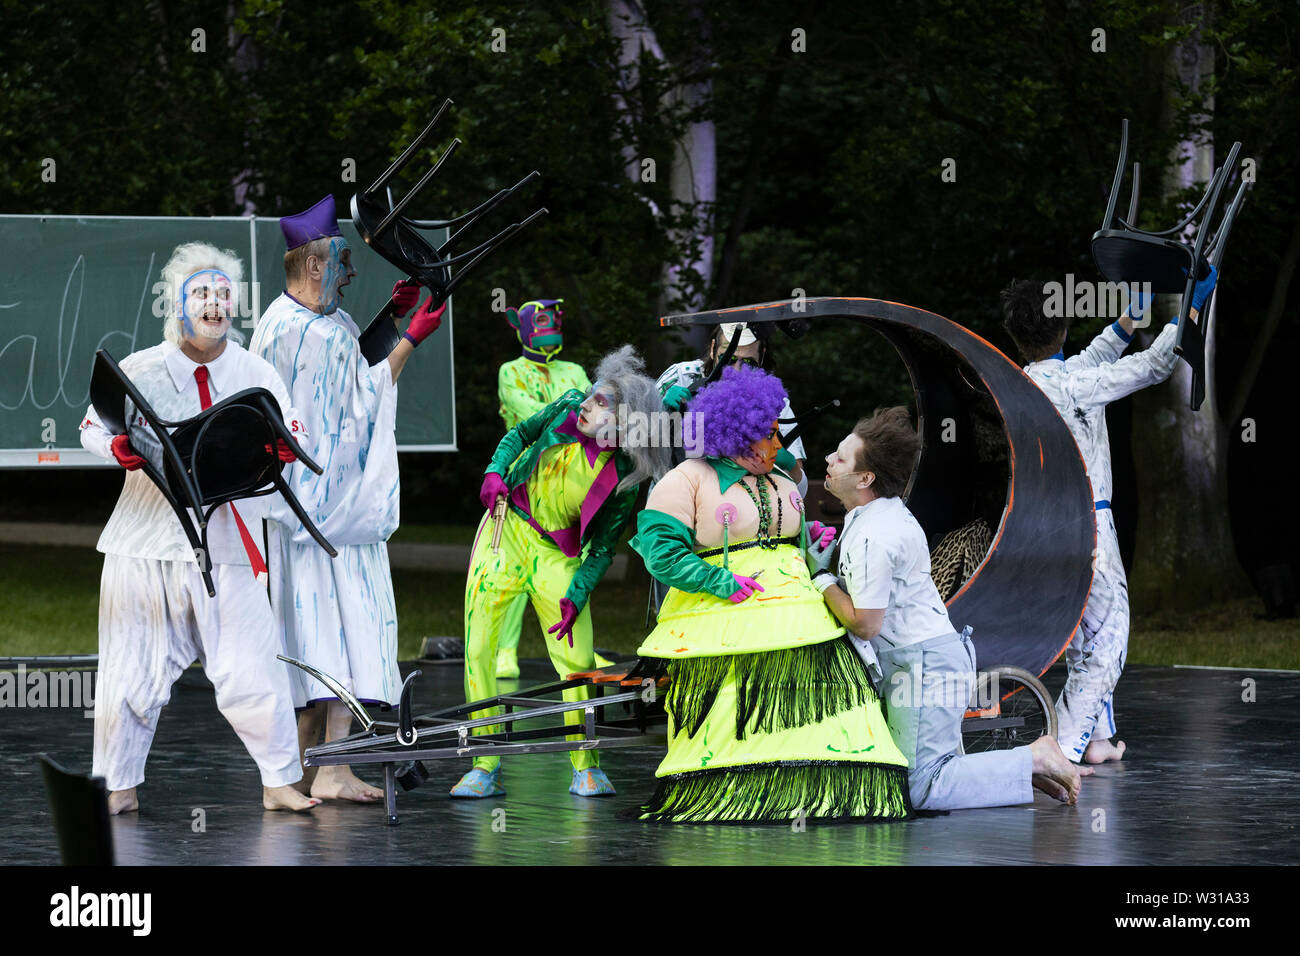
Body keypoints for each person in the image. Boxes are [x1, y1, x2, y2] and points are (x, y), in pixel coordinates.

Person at [79, 241, 317, 814]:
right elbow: (90, 426)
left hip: (229, 542)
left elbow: (298, 434)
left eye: (222, 294)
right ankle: (117, 787)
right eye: (201, 293)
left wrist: (280, 449)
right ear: (178, 304)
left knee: (252, 664)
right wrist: (116, 445)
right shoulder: (140, 368)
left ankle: (280, 781)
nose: (214, 304)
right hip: (145, 545)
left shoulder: (255, 372)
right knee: (130, 671)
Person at [630, 365, 911, 824]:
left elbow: (788, 538)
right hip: (728, 618)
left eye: (776, 434)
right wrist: (716, 581)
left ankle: (821, 791)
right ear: (735, 434)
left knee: (828, 701)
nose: (777, 445)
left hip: (801, 613)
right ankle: (743, 794)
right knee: (734, 709)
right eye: (767, 436)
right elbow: (659, 552)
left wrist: (808, 539)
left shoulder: (778, 472)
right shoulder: (688, 478)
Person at [250, 194, 445, 802]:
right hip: (321, 509)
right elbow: (356, 404)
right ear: (313, 265)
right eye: (341, 259)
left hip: (329, 509)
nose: (349, 270)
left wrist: (390, 318)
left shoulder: (309, 320)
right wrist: (411, 338)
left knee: (338, 632)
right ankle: (314, 767)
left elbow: (351, 373)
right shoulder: (302, 332)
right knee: (323, 634)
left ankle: (331, 766)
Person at [814, 408, 1087, 809]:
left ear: (864, 478)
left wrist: (820, 581)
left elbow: (867, 623)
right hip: (924, 659)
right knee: (921, 773)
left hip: (924, 665)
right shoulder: (873, 516)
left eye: (839, 458)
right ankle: (1027, 769)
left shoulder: (876, 533)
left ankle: (1034, 757)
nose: (828, 461)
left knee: (921, 786)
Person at [999, 266, 1218, 764]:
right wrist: (1192, 305)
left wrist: (1127, 320)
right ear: (1061, 326)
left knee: (1085, 635)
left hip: (1040, 530)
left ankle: (1096, 741)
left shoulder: (1026, 384)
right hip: (1087, 528)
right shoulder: (1076, 387)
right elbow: (1158, 363)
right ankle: (1062, 750)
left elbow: (1089, 361)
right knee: (1110, 637)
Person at [452, 345, 669, 798]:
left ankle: (585, 765)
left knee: (577, 661)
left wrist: (579, 593)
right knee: (479, 648)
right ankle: (485, 763)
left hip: (558, 556)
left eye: (602, 403)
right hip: (506, 530)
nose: (587, 404)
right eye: (592, 395)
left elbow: (604, 548)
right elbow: (520, 435)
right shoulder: (568, 407)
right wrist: (495, 471)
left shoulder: (627, 474)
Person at [492, 297, 608, 679]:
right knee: (510, 567)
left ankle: (578, 647)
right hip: (525, 481)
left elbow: (593, 411)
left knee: (574, 560)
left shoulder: (573, 369)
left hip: (572, 480)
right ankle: (504, 650)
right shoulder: (511, 371)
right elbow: (529, 415)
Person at [656, 322, 807, 493]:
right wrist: (657, 409)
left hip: (740, 510)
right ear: (713, 349)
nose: (735, 370)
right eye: (729, 358)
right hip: (673, 499)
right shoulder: (680, 377)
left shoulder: (773, 401)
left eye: (749, 362)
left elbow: (800, 490)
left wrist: (788, 464)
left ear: (762, 356)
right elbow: (632, 445)